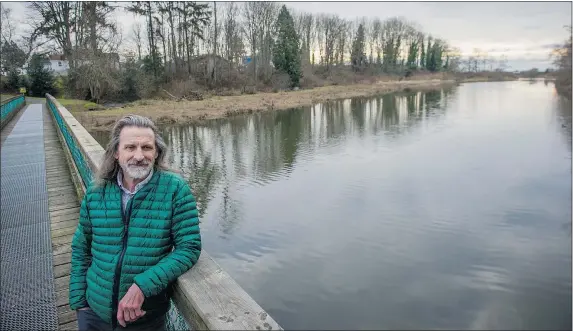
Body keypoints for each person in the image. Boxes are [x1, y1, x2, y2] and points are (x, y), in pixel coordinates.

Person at [69, 115, 202, 330]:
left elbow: (189, 247)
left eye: (147, 147)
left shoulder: (175, 190)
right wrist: (79, 301)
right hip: (93, 311)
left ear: (157, 152)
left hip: (143, 317)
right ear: (116, 152)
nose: (139, 156)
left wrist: (142, 286)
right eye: (130, 147)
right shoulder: (97, 191)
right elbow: (81, 247)